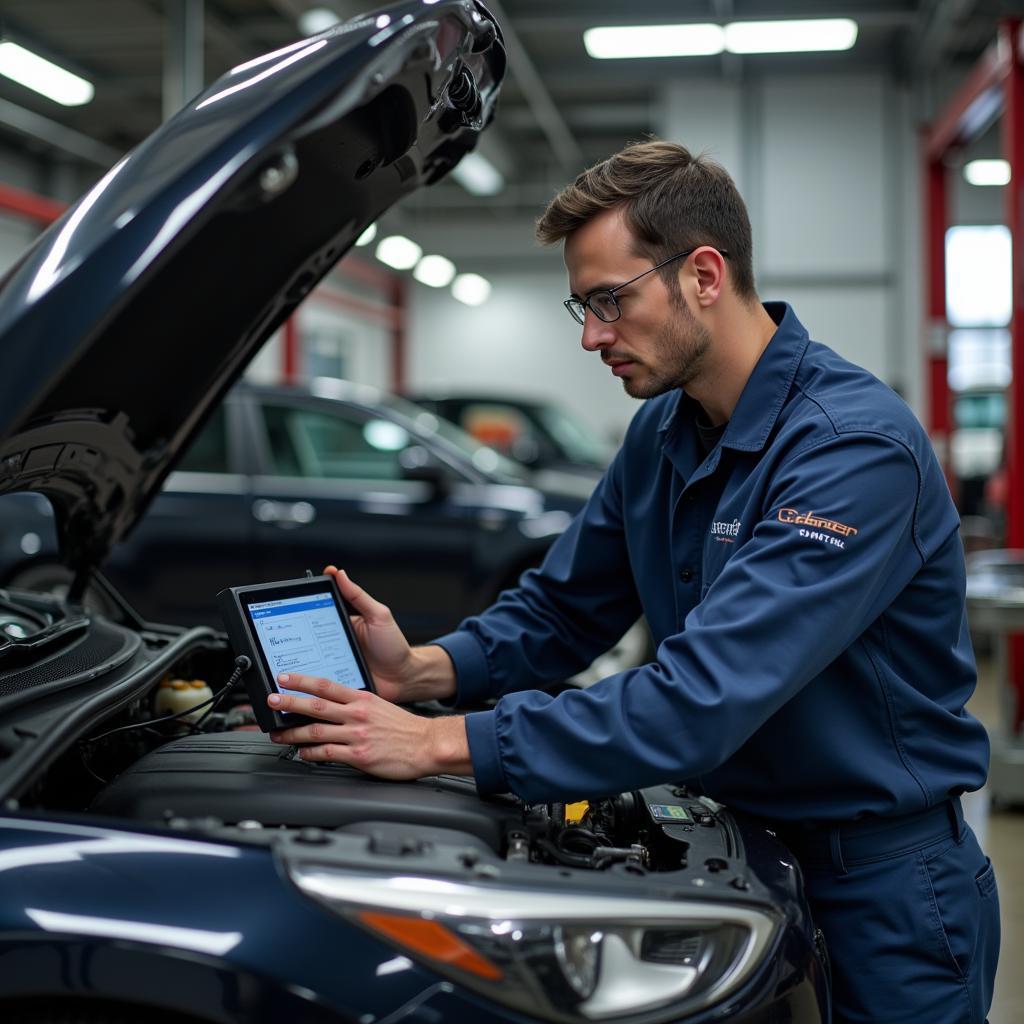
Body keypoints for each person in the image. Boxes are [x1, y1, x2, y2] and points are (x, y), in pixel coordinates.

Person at [264, 141, 1000, 1023]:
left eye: (612, 301)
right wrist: (422, 671)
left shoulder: (849, 451)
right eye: (584, 304)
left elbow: (700, 698)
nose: (591, 335)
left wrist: (437, 743)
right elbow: (562, 608)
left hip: (884, 886)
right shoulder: (661, 434)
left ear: (702, 275)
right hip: (741, 853)